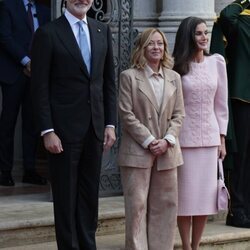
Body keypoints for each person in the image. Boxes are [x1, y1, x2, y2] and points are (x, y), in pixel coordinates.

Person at [30, 0, 117, 249]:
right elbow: (39, 87)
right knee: (66, 197)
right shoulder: (48, 33)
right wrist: (47, 130)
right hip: (62, 131)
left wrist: (110, 124)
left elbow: (108, 83)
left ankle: (88, 245)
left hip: (95, 128)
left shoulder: (102, 30)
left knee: (90, 196)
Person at [118, 28, 185, 250]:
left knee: (165, 205)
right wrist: (149, 140)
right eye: (151, 44)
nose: (156, 47)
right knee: (137, 207)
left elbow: (179, 114)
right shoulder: (129, 76)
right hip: (138, 150)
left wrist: (167, 140)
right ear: (142, 48)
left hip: (167, 151)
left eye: (160, 44)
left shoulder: (174, 77)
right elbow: (126, 114)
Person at [172, 17, 228, 250]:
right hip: (183, 141)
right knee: (185, 200)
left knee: (204, 200)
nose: (204, 37)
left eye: (206, 33)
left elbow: (221, 105)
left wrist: (222, 139)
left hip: (210, 141)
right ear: (188, 36)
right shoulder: (175, 65)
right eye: (198, 33)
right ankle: (186, 246)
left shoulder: (217, 62)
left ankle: (196, 246)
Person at [0, 0, 50, 186]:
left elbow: (49, 40)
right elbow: (4, 36)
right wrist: (26, 61)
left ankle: (30, 170)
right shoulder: (8, 6)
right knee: (8, 122)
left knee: (32, 123)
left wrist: (39, 64)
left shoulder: (45, 11)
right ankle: (5, 171)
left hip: (36, 75)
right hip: (13, 73)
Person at [217, 0, 250, 228]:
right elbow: (227, 16)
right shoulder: (242, 17)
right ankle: (237, 210)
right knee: (242, 157)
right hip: (244, 99)